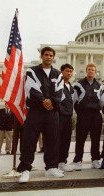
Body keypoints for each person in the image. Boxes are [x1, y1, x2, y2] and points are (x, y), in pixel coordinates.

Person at [17, 47, 64, 183]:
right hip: (36, 111)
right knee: (29, 140)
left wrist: (52, 102)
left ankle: (51, 168)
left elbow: (59, 92)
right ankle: (25, 169)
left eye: (51, 55)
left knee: (52, 140)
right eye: (46, 55)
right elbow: (32, 88)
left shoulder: (57, 74)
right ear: (41, 56)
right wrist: (44, 100)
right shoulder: (32, 71)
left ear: (53, 57)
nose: (49, 57)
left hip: (52, 112)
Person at [73, 63, 102, 171]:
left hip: (95, 115)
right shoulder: (79, 84)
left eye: (93, 70)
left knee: (96, 138)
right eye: (89, 69)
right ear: (86, 71)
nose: (91, 71)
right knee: (80, 139)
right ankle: (78, 160)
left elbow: (101, 101)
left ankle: (95, 159)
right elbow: (74, 100)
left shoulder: (99, 85)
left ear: (95, 72)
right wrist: (80, 112)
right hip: (83, 114)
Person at [58, 64, 75, 172]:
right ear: (62, 72)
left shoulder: (71, 87)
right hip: (59, 116)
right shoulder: (58, 85)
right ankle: (54, 163)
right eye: (67, 71)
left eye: (70, 71)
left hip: (68, 116)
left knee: (66, 140)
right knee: (57, 140)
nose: (69, 73)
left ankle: (63, 161)